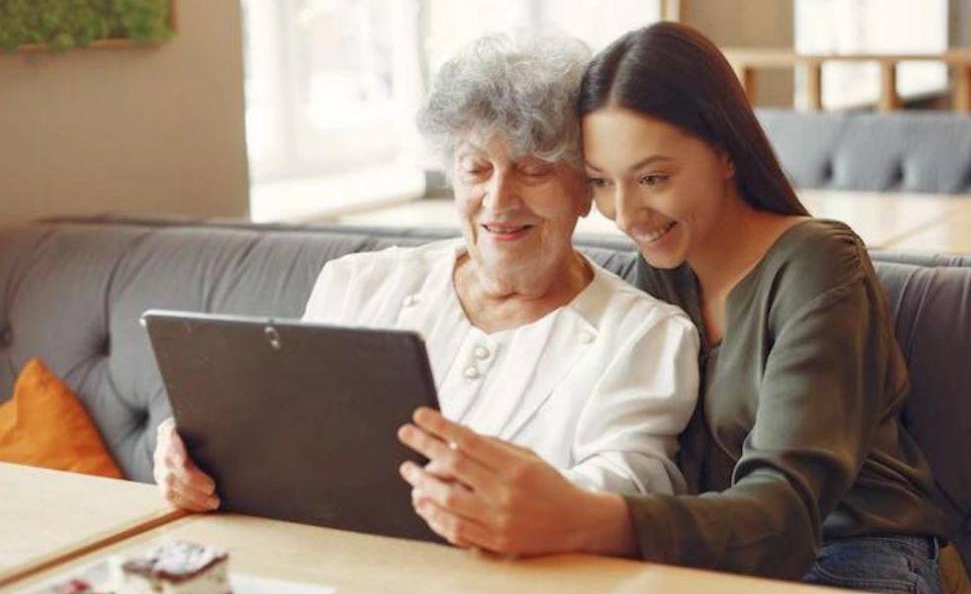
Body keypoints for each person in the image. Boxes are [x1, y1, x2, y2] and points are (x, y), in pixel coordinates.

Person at [398, 22, 948, 594]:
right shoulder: (658, 275)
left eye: (653, 178)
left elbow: (786, 511)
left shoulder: (819, 264)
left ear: (726, 152)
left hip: (858, 558)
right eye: (601, 183)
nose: (626, 214)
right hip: (718, 562)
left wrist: (582, 517)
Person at [153, 32, 699, 514]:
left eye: (534, 170)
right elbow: (272, 425)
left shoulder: (645, 334)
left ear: (586, 189)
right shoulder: (358, 286)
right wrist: (196, 450)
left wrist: (528, 500)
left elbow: (631, 488)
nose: (498, 200)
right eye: (476, 169)